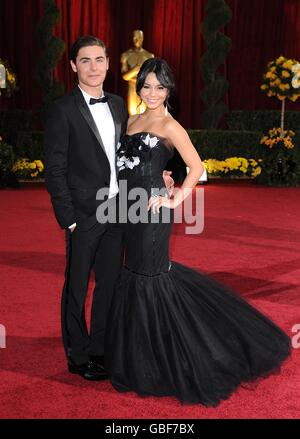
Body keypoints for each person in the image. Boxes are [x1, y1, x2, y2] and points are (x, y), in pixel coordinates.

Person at [105, 58, 291, 406]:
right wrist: (158, 176)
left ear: (168, 89)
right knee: (133, 273)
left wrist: (174, 200)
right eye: (147, 85)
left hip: (152, 213)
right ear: (139, 86)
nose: (153, 92)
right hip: (126, 211)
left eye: (160, 87)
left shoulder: (170, 125)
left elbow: (197, 167)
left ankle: (158, 362)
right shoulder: (132, 119)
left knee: (149, 276)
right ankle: (136, 356)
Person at [44, 37, 173, 381]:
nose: (93, 67)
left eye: (99, 59)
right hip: (83, 215)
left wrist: (158, 173)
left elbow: (130, 155)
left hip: (118, 211)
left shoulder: (118, 104)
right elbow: (54, 169)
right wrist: (68, 219)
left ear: (107, 63)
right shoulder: (62, 110)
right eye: (85, 61)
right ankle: (78, 354)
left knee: (109, 284)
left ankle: (100, 349)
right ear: (73, 66)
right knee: (76, 287)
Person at [121, 29, 154, 115]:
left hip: (144, 88)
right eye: (134, 38)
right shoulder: (126, 55)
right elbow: (124, 76)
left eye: (138, 37)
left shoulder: (149, 56)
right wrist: (135, 69)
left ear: (142, 38)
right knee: (132, 114)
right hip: (132, 87)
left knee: (144, 114)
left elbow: (151, 76)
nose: (136, 40)